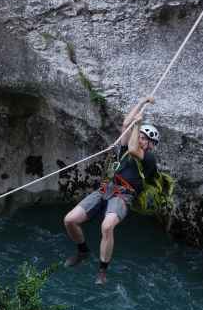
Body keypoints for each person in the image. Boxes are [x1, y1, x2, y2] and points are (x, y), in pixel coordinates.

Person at [63, 95, 161, 285]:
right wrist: (141, 103)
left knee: (107, 227)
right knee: (69, 220)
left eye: (145, 139)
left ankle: (102, 271)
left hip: (124, 195)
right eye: (140, 136)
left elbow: (133, 148)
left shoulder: (148, 158)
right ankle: (82, 251)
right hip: (106, 188)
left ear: (151, 145)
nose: (141, 140)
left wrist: (137, 125)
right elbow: (126, 124)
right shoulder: (126, 146)